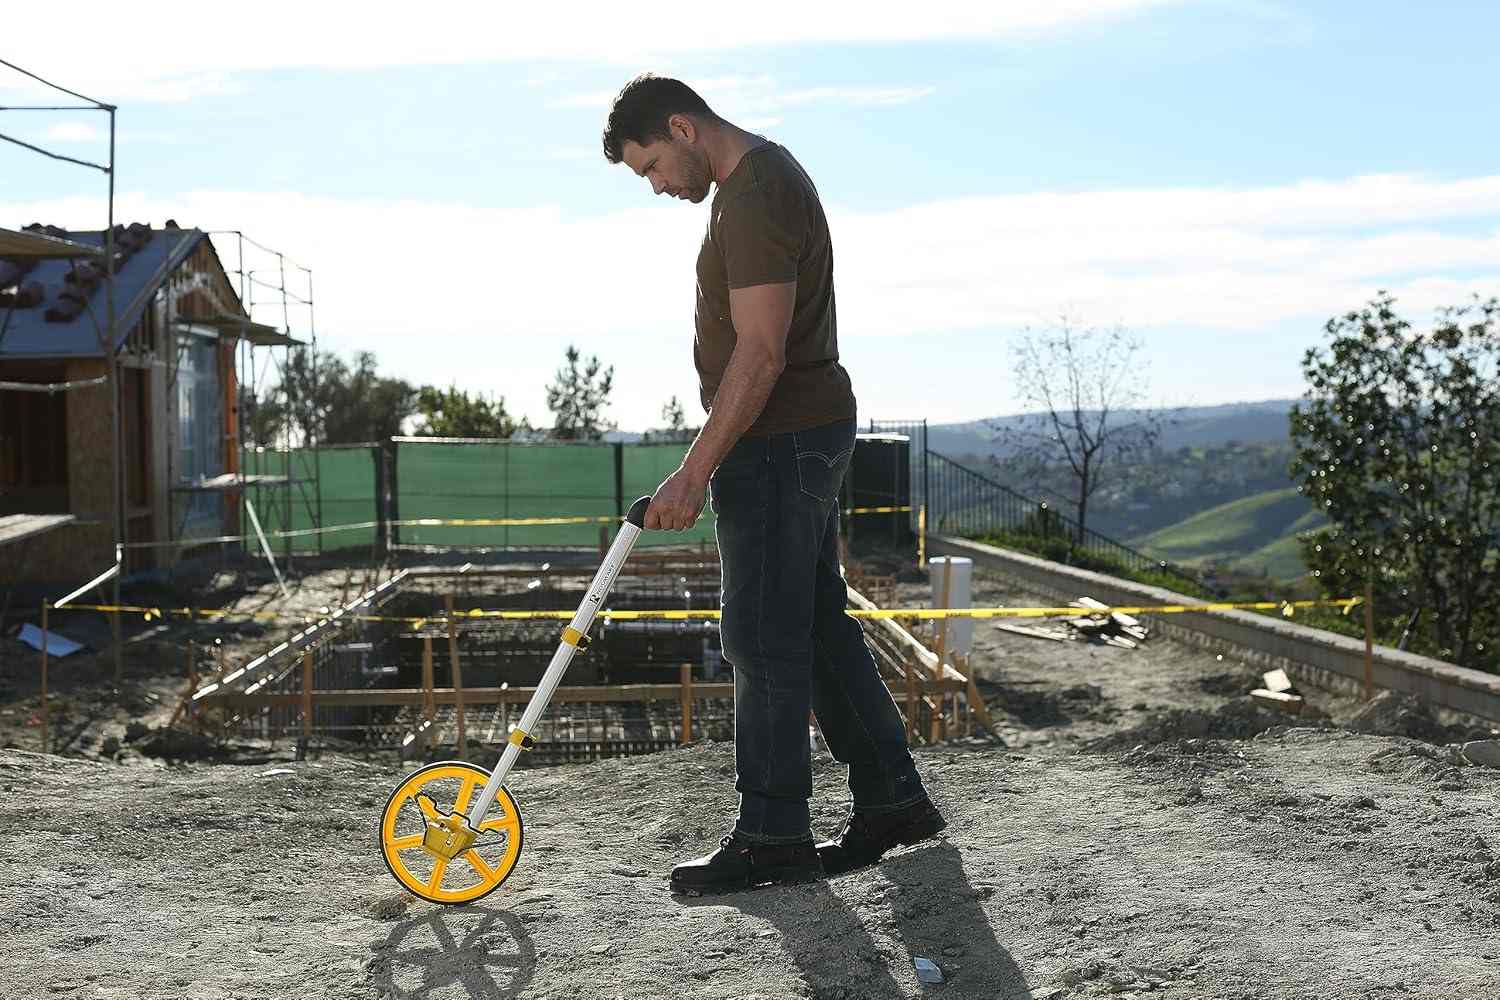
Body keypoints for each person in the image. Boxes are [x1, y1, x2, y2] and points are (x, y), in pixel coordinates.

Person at [602, 74, 945, 896]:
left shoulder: (754, 193)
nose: (655, 187)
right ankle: (893, 799)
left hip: (779, 442)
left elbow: (759, 355)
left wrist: (694, 470)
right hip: (795, 435)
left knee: (760, 635)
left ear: (681, 128)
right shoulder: (748, 188)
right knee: (816, 621)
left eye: (650, 166)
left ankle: (771, 836)